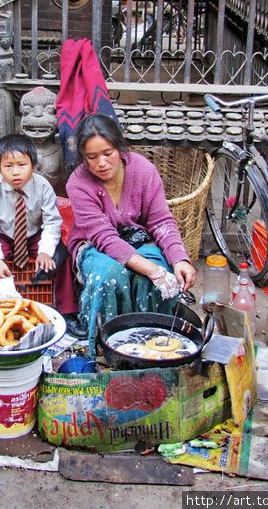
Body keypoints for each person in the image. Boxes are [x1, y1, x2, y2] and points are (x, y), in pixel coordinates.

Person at [66, 113, 196, 355]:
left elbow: (160, 221)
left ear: (119, 147)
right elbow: (104, 237)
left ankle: (154, 347)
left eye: (108, 153)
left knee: (159, 278)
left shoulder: (143, 170)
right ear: (83, 158)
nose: (101, 163)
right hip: (94, 245)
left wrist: (180, 258)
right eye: (92, 157)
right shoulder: (78, 182)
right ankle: (106, 348)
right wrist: (152, 270)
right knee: (109, 275)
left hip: (139, 238)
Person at [0, 133, 81, 333]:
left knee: (61, 257)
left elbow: (52, 222)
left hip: (33, 236)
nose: (15, 172)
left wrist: (45, 251)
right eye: (8, 166)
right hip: (3, 235)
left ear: (34, 166)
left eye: (22, 165)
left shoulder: (43, 186)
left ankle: (67, 311)